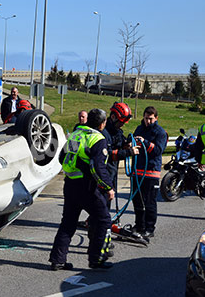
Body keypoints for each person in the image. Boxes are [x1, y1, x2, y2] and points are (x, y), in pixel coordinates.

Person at [50, 108, 115, 270]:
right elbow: (98, 168)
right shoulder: (97, 139)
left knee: (68, 223)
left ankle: (57, 260)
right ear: (102, 124)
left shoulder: (75, 135)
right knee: (104, 220)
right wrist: (108, 188)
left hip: (70, 184)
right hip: (88, 187)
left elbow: (62, 157)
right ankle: (97, 259)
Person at [131, 106, 167, 239]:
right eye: (146, 118)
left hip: (151, 172)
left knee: (149, 202)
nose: (148, 121)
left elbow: (158, 150)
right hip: (137, 171)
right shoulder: (139, 129)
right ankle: (139, 225)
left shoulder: (160, 132)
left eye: (151, 119)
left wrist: (145, 142)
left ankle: (149, 228)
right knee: (137, 201)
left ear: (156, 118)